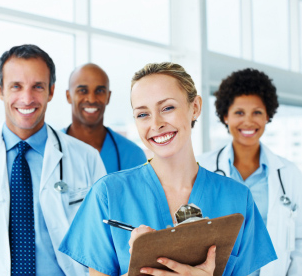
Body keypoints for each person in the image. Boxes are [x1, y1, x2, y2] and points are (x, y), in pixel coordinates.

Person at [59, 62, 277, 276]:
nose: (156, 123)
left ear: (195, 107)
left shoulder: (237, 198)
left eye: (168, 108)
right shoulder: (107, 194)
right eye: (143, 114)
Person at [0, 44, 106, 276]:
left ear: (51, 92)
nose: (27, 98)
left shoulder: (87, 158)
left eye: (37, 87)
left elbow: (103, 244)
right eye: (16, 86)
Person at [197, 68, 302, 276]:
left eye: (257, 112)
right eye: (239, 113)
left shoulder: (288, 173)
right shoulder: (202, 167)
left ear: (267, 116)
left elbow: (298, 242)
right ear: (225, 116)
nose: (248, 121)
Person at [64, 63, 147, 173]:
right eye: (83, 91)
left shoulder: (132, 154)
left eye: (99, 91)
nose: (92, 99)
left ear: (108, 96)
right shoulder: (48, 149)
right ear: (68, 96)